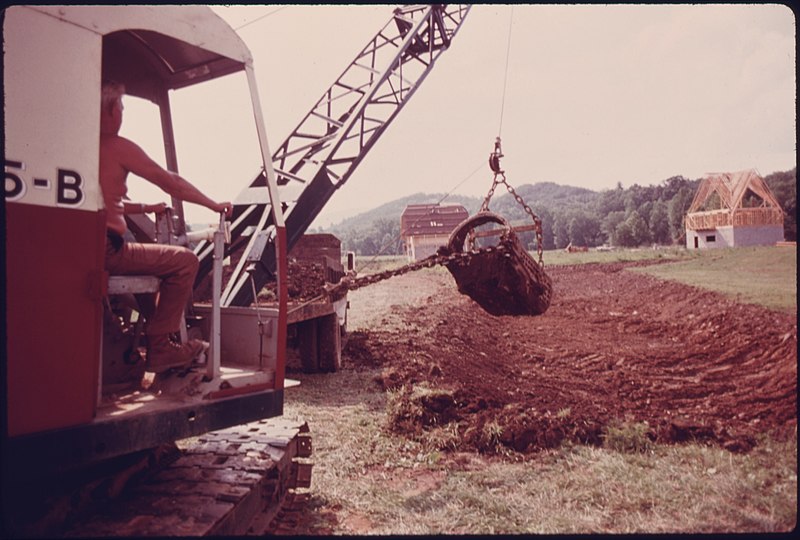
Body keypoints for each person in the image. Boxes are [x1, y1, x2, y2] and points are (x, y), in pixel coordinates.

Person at [100, 80, 232, 373]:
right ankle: (160, 347)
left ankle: (152, 334)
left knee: (150, 267)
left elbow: (110, 202)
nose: (122, 112)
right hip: (108, 250)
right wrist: (213, 204)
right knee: (185, 260)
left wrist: (147, 208)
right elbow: (170, 181)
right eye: (120, 106)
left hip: (88, 248)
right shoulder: (115, 146)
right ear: (108, 110)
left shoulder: (81, 147)